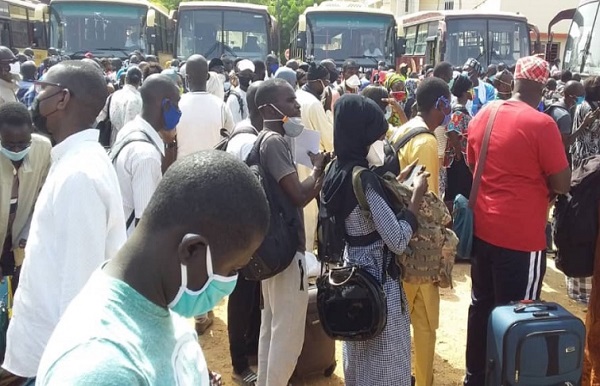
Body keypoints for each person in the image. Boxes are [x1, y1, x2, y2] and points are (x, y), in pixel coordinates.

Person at [35, 150, 270, 386]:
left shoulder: (158, 300)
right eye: (232, 270)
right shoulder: (101, 369)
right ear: (192, 250)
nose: (231, 282)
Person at [2, 61, 127, 382]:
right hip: (39, 356)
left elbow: (78, 291)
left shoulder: (79, 176)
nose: (36, 96)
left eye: (44, 89)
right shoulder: (73, 161)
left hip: (53, 362)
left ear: (62, 99)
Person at [463, 56, 571, 386]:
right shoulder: (542, 125)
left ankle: (475, 377)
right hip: (522, 239)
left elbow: (472, 162)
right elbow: (562, 183)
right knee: (518, 317)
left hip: (483, 230)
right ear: (543, 86)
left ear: (515, 82)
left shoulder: (485, 113)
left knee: (481, 307)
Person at [321, 94, 428, 385]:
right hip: (378, 279)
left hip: (350, 276)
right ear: (362, 136)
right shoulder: (363, 179)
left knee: (358, 349)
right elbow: (396, 239)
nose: (383, 143)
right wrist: (415, 198)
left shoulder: (334, 171)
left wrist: (394, 182)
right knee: (385, 360)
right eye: (378, 137)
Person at [254, 78, 329, 386]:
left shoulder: (265, 139)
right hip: (287, 254)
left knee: (271, 328)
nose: (297, 106)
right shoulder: (273, 142)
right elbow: (298, 195)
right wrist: (318, 170)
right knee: (286, 337)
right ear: (268, 108)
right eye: (289, 101)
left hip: (273, 249)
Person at [390, 77, 451, 386]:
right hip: (420, 248)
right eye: (448, 104)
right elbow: (428, 203)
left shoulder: (402, 130)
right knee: (425, 323)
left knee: (399, 321)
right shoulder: (426, 141)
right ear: (439, 104)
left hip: (399, 238)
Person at [226, 80, 263, 385]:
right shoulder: (247, 141)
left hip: (247, 231)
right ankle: (240, 363)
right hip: (241, 234)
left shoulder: (247, 132)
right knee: (240, 298)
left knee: (252, 293)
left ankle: (250, 349)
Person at [112, 74, 180, 237]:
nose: (179, 111)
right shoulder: (146, 155)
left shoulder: (130, 129)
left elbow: (162, 179)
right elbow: (145, 224)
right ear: (166, 105)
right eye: (177, 104)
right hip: (129, 243)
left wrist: (170, 142)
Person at [0, 103, 51, 292]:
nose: (15, 150)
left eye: (22, 144)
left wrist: (28, 233)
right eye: (8, 144)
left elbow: (43, 196)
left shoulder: (43, 149)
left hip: (19, 238)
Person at [296, 62, 334, 253]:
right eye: (326, 81)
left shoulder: (296, 96)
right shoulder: (313, 104)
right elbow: (329, 138)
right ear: (318, 82)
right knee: (309, 214)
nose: (327, 85)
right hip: (310, 163)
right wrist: (327, 110)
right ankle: (307, 258)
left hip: (292, 159)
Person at [178, 55, 234, 159]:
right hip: (212, 168)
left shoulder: (177, 104)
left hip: (181, 169)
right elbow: (230, 135)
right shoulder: (221, 105)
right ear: (207, 76)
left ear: (187, 78)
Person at [444, 75, 473, 210]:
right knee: (458, 192)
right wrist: (458, 152)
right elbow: (452, 130)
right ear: (464, 92)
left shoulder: (461, 108)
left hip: (461, 159)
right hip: (458, 160)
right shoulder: (458, 111)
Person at [107, 66, 143, 144]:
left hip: (114, 141)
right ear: (140, 82)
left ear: (125, 79)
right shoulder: (136, 100)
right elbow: (131, 130)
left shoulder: (115, 95)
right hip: (128, 144)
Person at [227, 59, 254, 124]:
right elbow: (235, 123)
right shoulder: (234, 97)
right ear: (238, 75)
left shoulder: (254, 94)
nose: (247, 76)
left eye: (249, 74)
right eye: (244, 74)